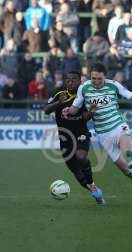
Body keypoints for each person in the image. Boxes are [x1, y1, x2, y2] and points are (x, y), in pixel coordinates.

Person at [62, 62, 132, 205]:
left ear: (105, 77)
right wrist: (68, 111)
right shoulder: (84, 88)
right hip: (103, 134)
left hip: (118, 126)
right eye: (93, 78)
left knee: (129, 153)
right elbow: (75, 108)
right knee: (127, 171)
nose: (96, 81)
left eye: (99, 79)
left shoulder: (113, 85)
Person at [43, 70, 105, 206]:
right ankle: (93, 188)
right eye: (68, 80)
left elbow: (86, 117)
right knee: (75, 170)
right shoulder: (59, 92)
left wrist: (91, 111)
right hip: (64, 137)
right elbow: (46, 110)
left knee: (81, 157)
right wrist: (58, 103)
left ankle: (92, 184)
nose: (70, 82)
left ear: (80, 81)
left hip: (80, 132)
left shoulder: (84, 94)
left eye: (73, 80)